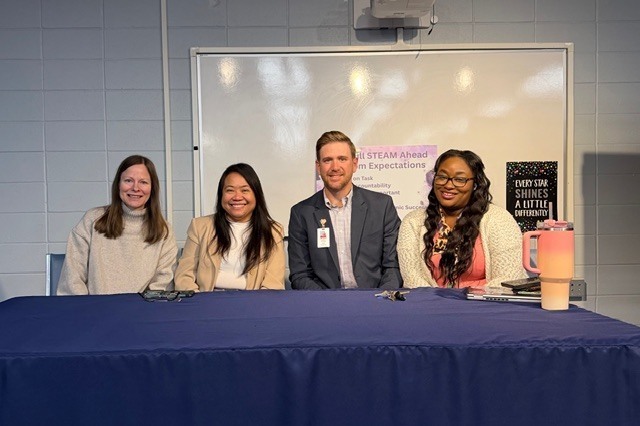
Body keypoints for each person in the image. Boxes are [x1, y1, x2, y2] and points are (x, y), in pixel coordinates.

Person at [288, 130, 402, 290]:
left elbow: (392, 267)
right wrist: (327, 304)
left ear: (354, 164)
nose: (335, 167)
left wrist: (382, 300)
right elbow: (300, 275)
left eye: (342, 159)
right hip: (324, 305)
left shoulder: (382, 206)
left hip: (374, 301)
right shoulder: (301, 213)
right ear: (318, 167)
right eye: (327, 160)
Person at [398, 149, 526, 289]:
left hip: (485, 305)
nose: (448, 185)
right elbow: (412, 278)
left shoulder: (499, 220)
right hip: (430, 306)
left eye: (460, 179)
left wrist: (467, 301)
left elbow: (508, 278)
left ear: (475, 184)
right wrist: (438, 305)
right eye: (442, 176)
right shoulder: (413, 222)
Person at [57, 155, 178, 295]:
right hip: (94, 311)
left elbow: (161, 284)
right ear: (118, 185)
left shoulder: (164, 231)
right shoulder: (92, 219)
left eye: (143, 182)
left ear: (152, 188)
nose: (135, 188)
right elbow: (73, 278)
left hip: (141, 313)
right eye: (128, 181)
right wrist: (87, 310)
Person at [175, 163, 285, 291]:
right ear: (221, 195)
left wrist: (256, 308)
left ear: (256, 195)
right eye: (230, 190)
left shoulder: (273, 232)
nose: (237, 197)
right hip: (206, 302)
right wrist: (200, 304)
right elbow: (184, 277)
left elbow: (273, 284)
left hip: (252, 303)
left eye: (245, 190)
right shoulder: (200, 227)